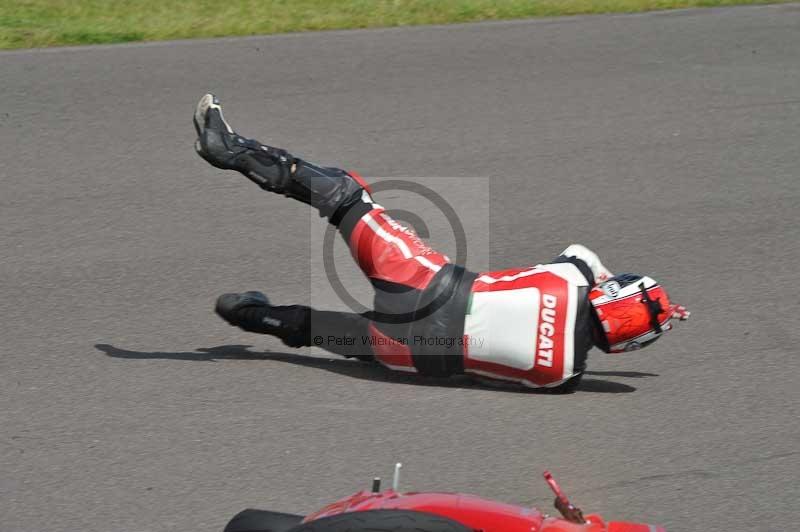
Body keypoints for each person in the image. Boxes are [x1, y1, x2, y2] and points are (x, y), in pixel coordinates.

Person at [194, 94, 690, 393]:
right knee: (324, 330)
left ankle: (230, 149)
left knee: (346, 194)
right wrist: (642, 318)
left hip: (425, 286)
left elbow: (585, 255)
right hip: (415, 354)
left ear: (612, 293)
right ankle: (253, 316)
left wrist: (616, 287)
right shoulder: (563, 378)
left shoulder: (573, 277)